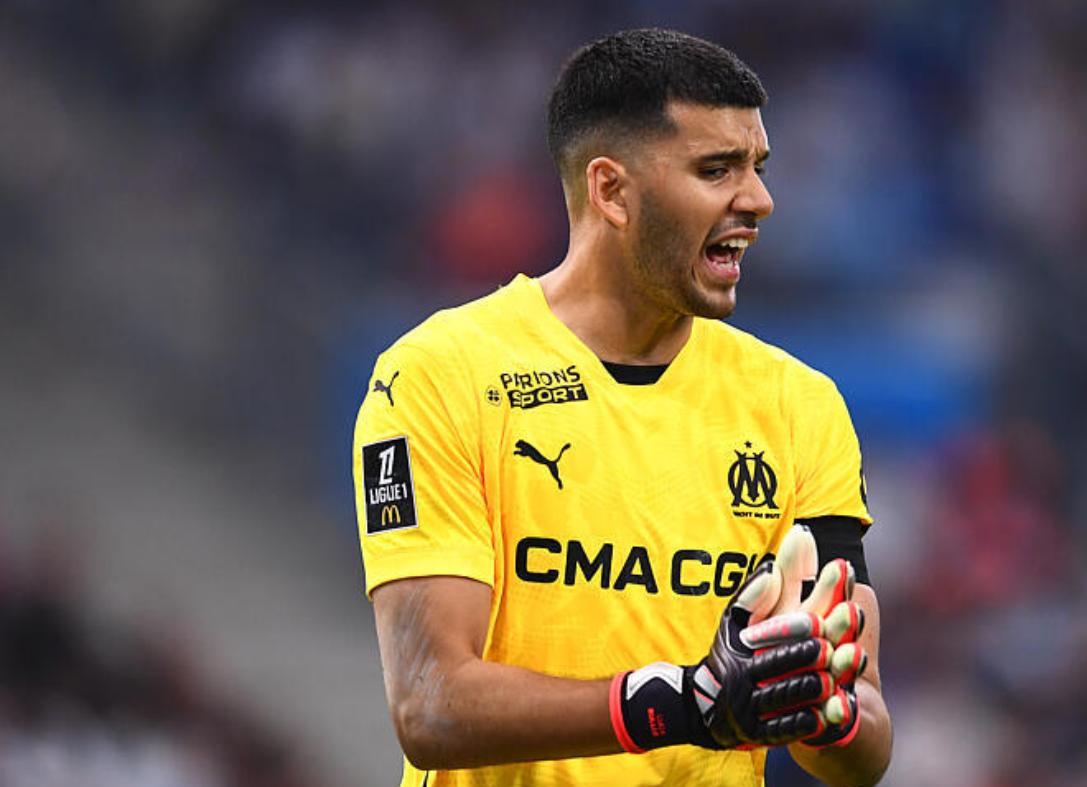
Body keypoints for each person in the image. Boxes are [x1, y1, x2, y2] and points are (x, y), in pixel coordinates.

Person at [352, 28, 892, 786]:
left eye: (758, 168)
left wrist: (823, 707)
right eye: (717, 169)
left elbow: (862, 744)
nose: (759, 201)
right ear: (610, 191)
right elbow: (430, 706)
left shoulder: (800, 406)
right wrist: (683, 703)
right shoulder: (438, 377)